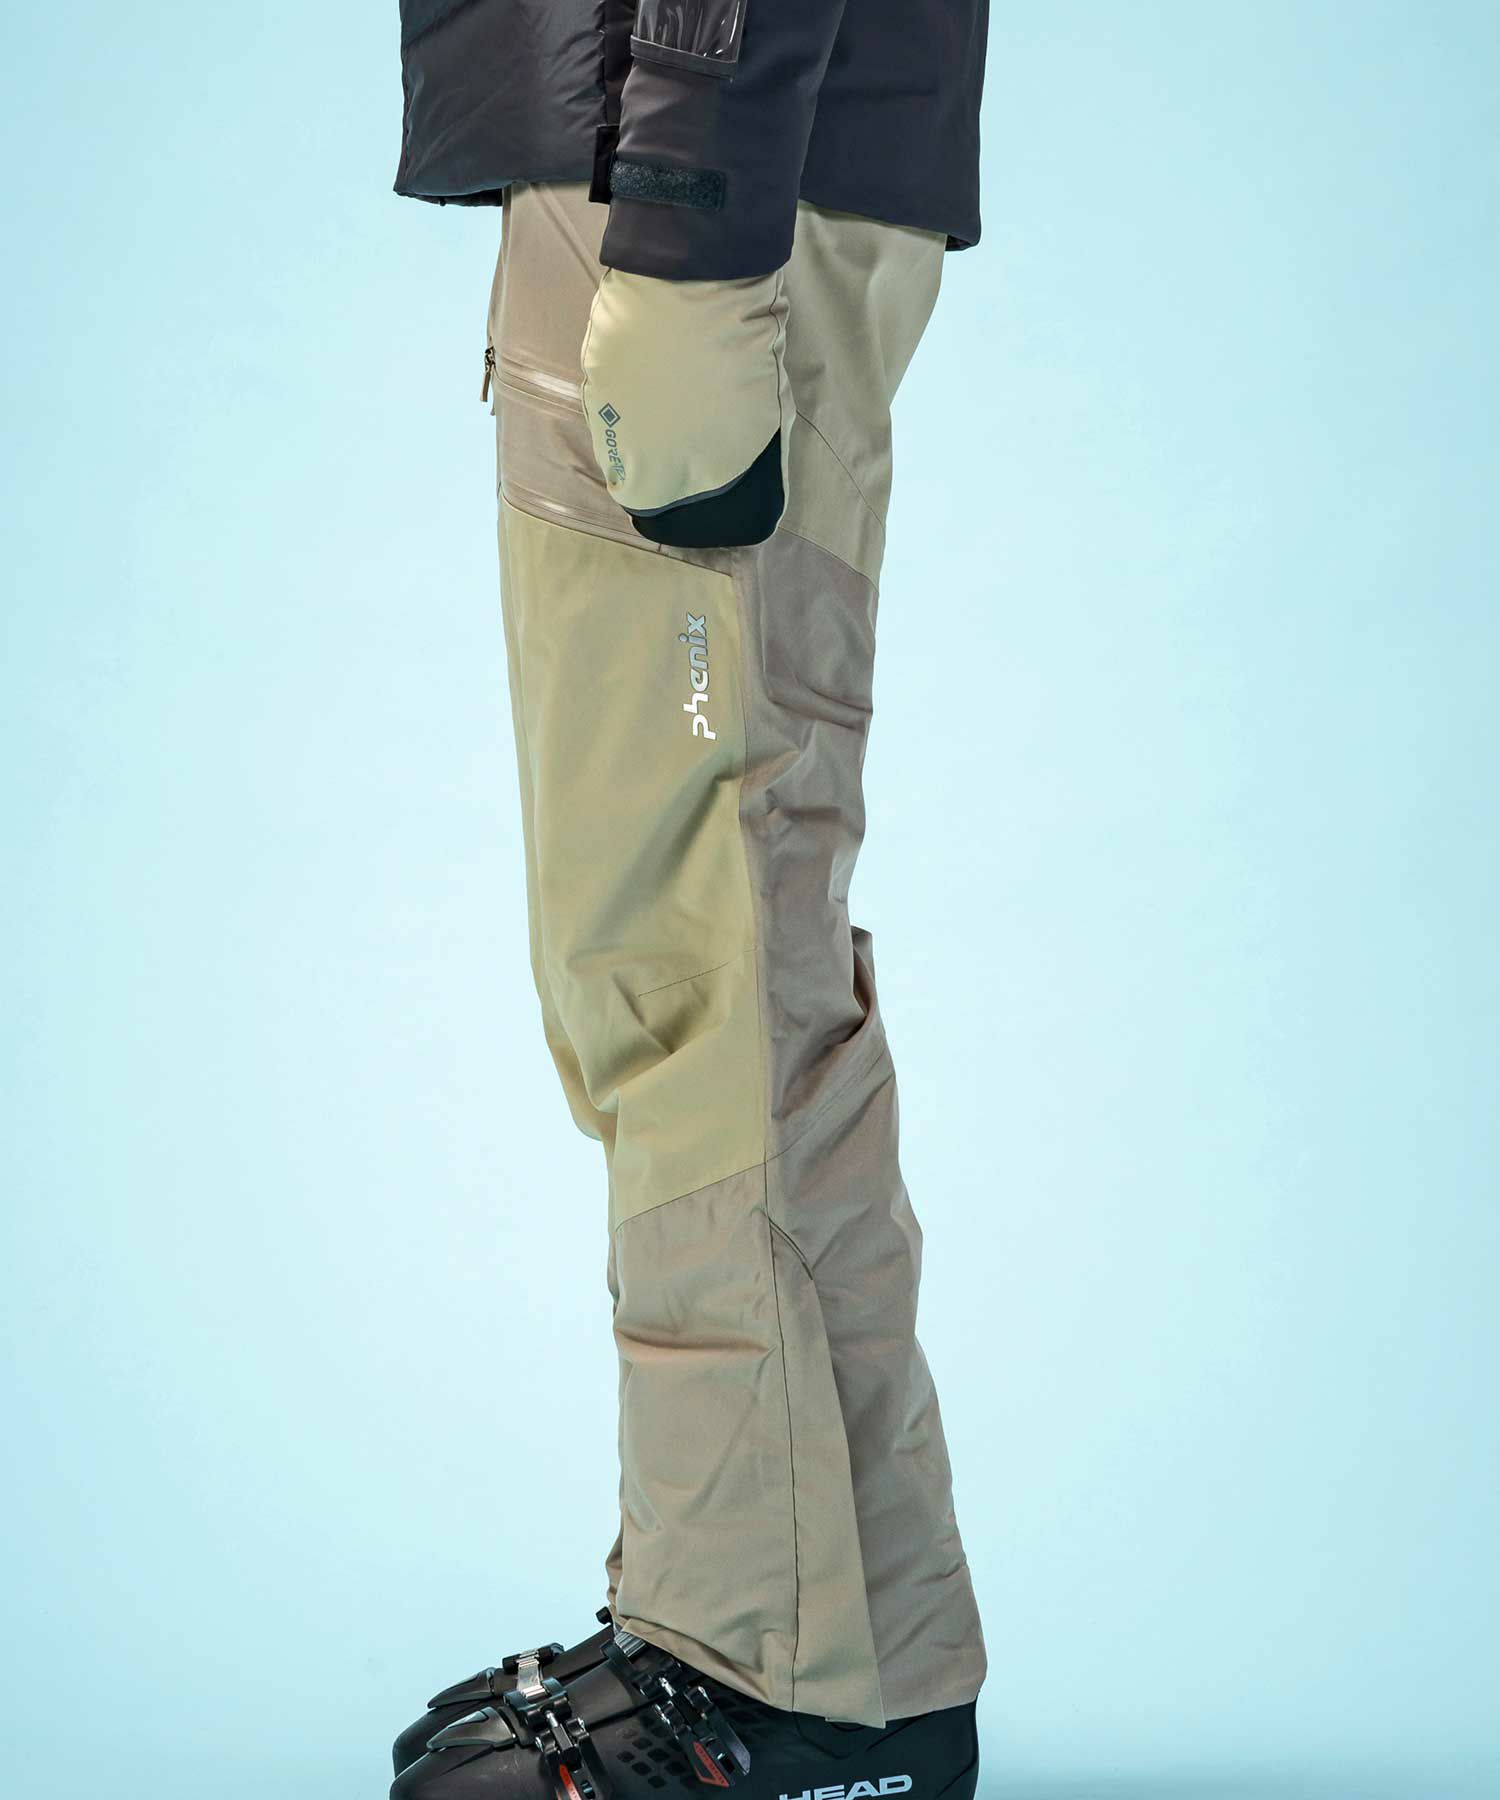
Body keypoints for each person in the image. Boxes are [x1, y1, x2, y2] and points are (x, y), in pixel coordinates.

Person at [388, 4, 991, 1796]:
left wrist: (686, 219)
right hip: (709, 167)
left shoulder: (686, 197)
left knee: (679, 963)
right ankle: (871, 1688)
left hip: (678, 184)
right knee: (749, 948)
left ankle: (752, 1669)